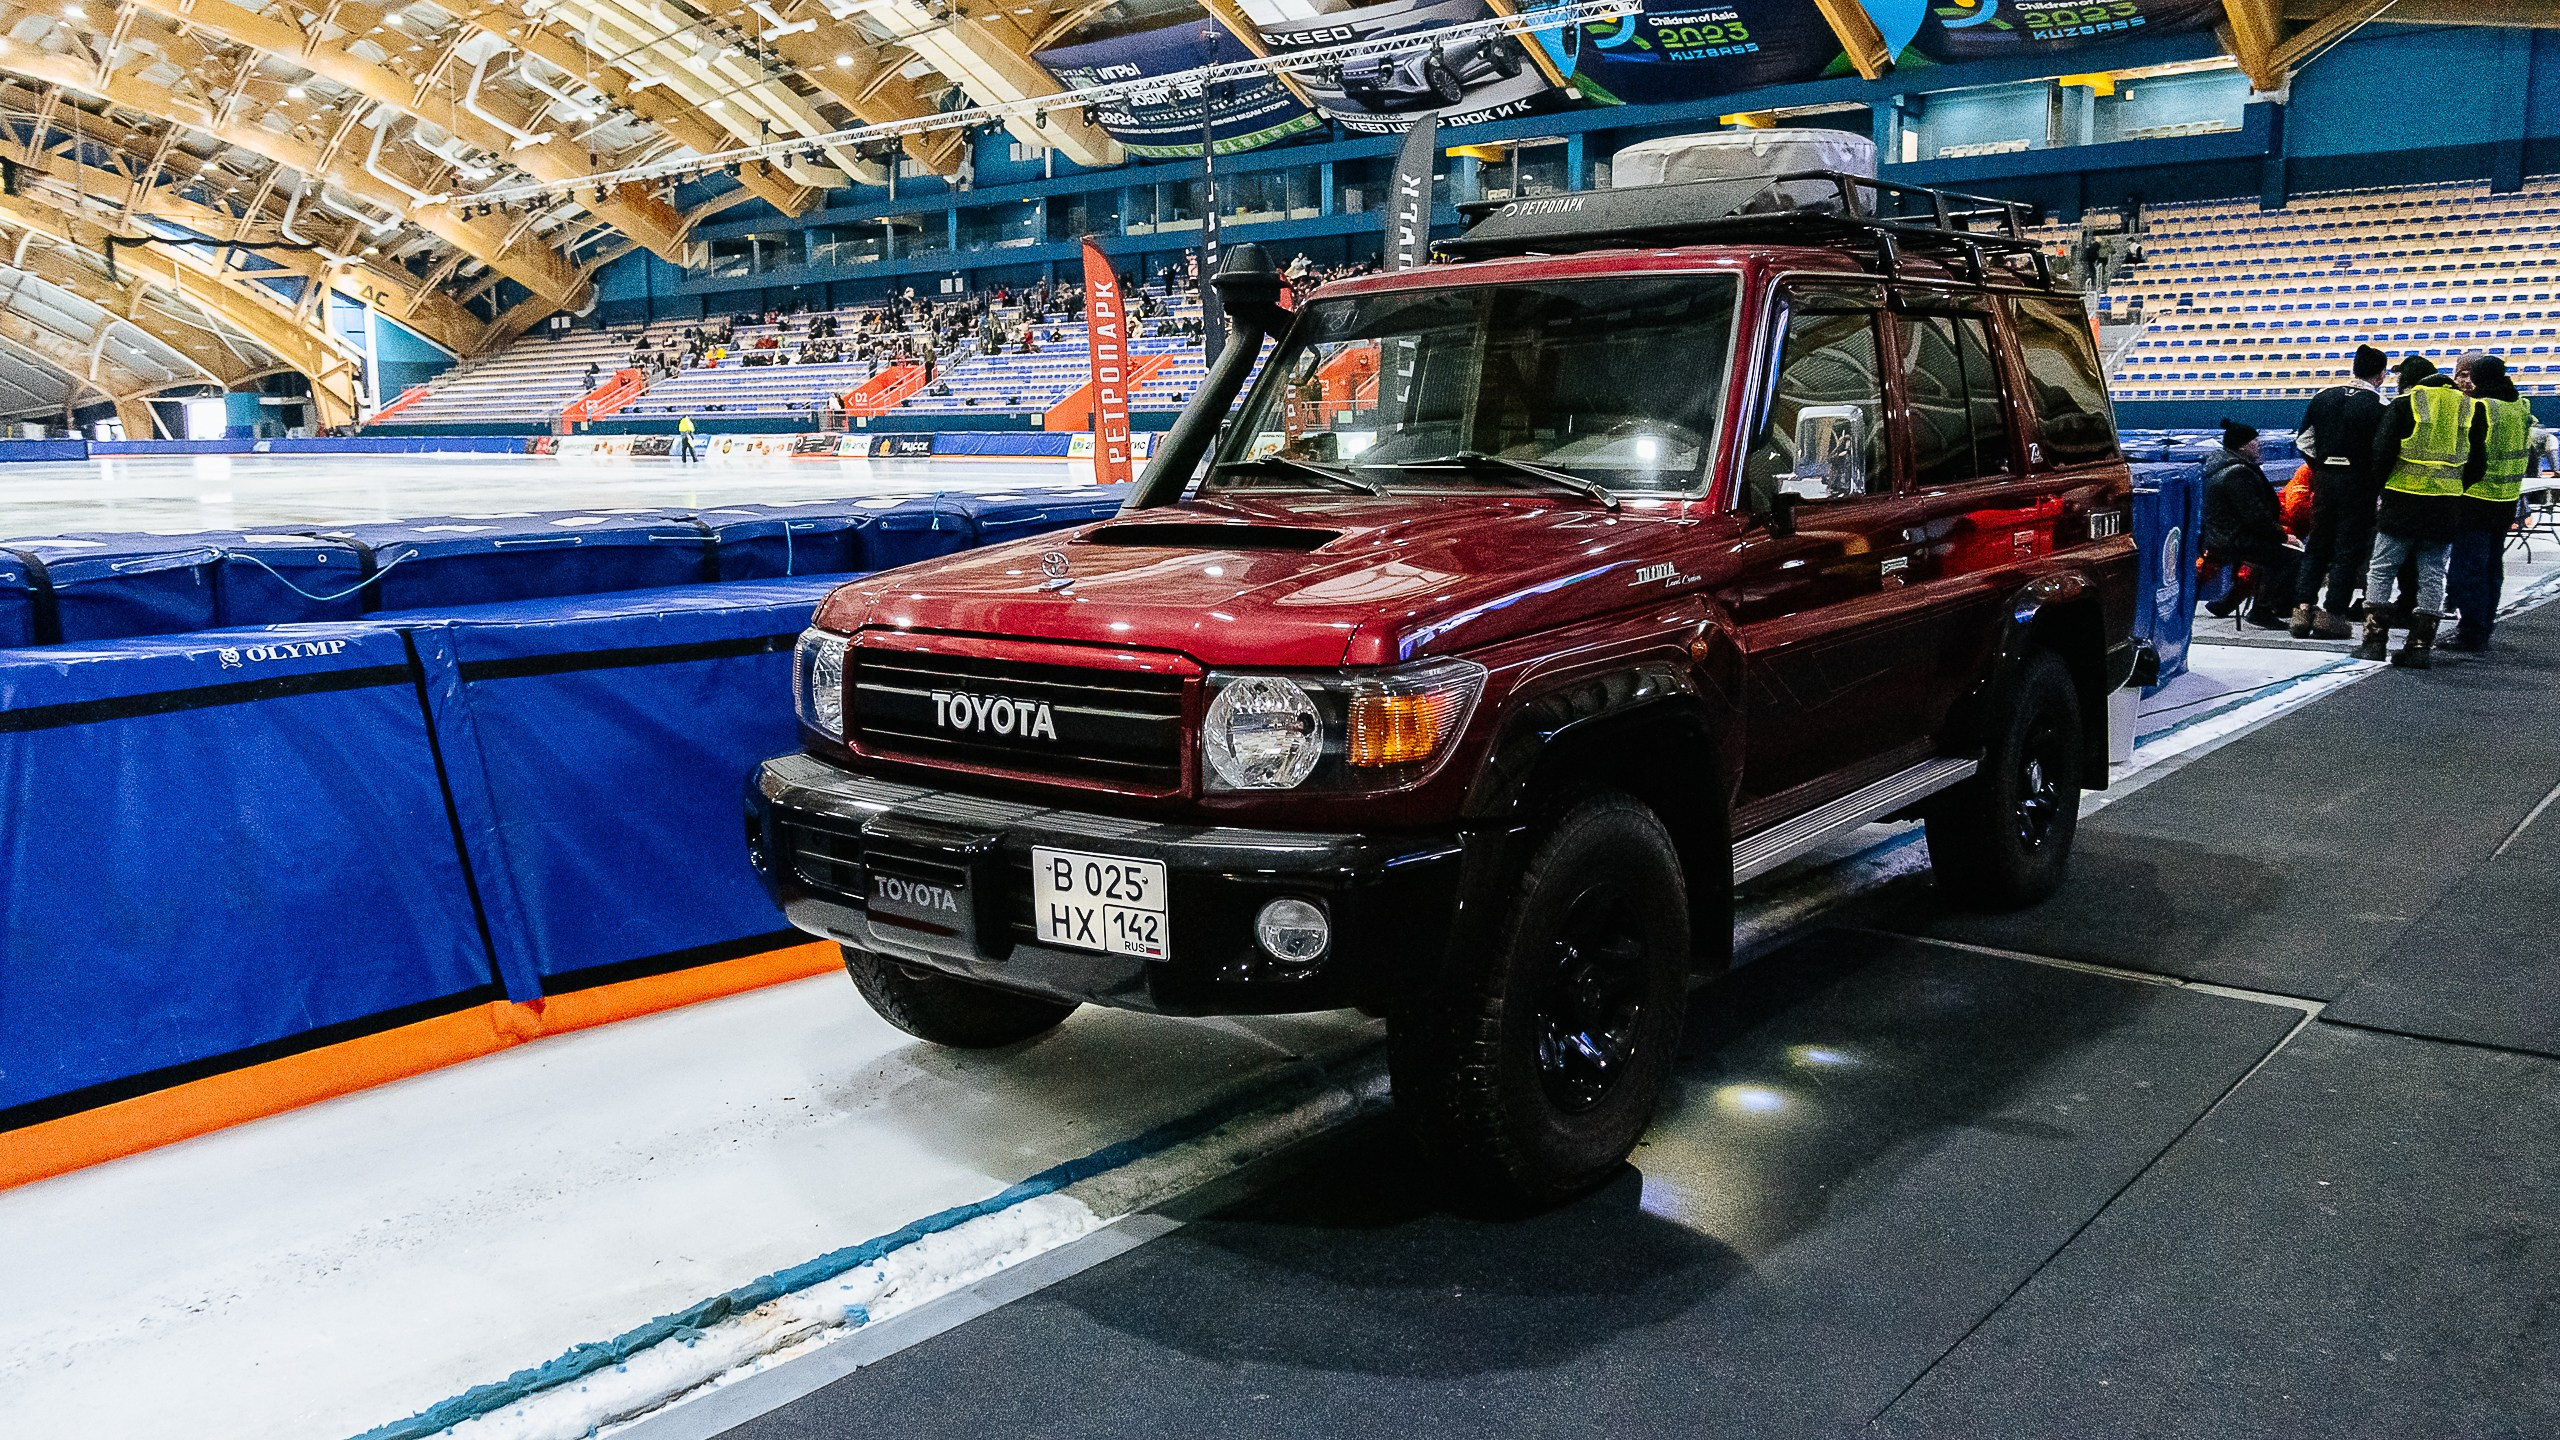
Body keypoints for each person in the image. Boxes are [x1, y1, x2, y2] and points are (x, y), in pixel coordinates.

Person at [2361, 355, 2473, 667]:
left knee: (2382, 569)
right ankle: (2420, 646)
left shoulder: (2404, 404)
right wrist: (2454, 485)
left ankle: (2374, 642)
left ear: (2409, 380)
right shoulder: (2468, 408)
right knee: (2433, 572)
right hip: (2445, 505)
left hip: (2402, 502)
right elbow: (2477, 462)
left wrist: (2384, 489)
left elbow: (2381, 453)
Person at [2291, 344, 2390, 637]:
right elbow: (2382, 452)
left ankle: (2302, 608)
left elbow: (2304, 442)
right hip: (2359, 484)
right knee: (2348, 549)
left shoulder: (2323, 396)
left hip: (2325, 480)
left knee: (2317, 544)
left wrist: (2322, 467)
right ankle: (2333, 614)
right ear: (2380, 375)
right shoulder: (2381, 406)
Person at [2445, 354, 2534, 652]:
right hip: (2507, 498)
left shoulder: (2482, 408)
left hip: (2477, 499)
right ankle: (2483, 627)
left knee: (2468, 567)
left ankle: (2470, 631)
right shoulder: (2521, 406)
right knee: (2493, 568)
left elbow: (2472, 455)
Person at [2200, 418, 2300, 630]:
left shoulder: (2223, 466)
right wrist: (2282, 535)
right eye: (2255, 442)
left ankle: (2225, 604)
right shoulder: (2237, 473)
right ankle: (2264, 610)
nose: (2259, 445)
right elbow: (2255, 517)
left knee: (2263, 559)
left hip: (2223, 534)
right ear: (2242, 446)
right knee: (2290, 557)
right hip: (2233, 538)